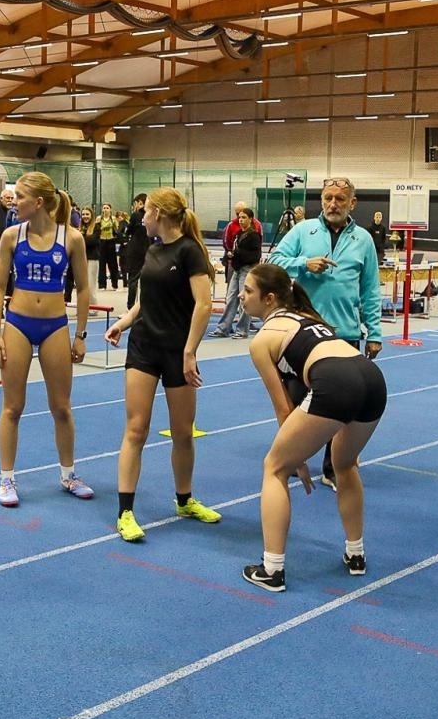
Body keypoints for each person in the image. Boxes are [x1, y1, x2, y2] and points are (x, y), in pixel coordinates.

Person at [238, 263, 387, 592]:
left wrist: (296, 460)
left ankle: (272, 569)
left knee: (274, 467)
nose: (241, 295)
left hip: (337, 381)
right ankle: (356, 554)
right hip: (372, 378)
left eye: (248, 290)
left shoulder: (262, 340)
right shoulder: (308, 318)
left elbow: (283, 408)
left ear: (269, 298)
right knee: (344, 463)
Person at [103, 187, 219, 541]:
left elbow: (203, 305)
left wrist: (189, 352)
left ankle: (184, 500)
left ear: (160, 214)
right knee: (135, 430)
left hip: (176, 352)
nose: (142, 217)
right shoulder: (153, 249)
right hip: (143, 349)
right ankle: (125, 512)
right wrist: (123, 323)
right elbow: (144, 301)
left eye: (146, 212)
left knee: (183, 432)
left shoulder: (190, 252)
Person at [267, 175, 382, 489]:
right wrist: (304, 263)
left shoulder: (364, 240)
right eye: (328, 197)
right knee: (295, 400)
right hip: (302, 334)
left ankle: (334, 468)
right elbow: (273, 263)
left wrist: (374, 332)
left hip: (344, 334)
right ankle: (292, 458)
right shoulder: (303, 230)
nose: (333, 204)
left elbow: (371, 289)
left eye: (340, 199)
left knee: (340, 407)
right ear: (322, 200)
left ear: (352, 203)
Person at [0, 172, 94, 506]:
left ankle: (68, 474)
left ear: (39, 202)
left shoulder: (72, 238)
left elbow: (83, 287)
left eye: (19, 197)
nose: (13, 202)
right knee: (13, 406)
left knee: (61, 407)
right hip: (18, 324)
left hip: (55, 327)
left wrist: (80, 335)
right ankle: (7, 479)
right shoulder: (10, 236)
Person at [210, 205, 261, 338]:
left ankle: (242, 330)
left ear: (251, 219)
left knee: (245, 300)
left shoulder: (254, 236)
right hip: (237, 269)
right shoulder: (238, 234)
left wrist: (236, 253)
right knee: (231, 298)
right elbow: (232, 249)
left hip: (247, 270)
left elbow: (255, 256)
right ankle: (223, 328)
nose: (241, 220)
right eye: (239, 217)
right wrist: (229, 256)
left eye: (244, 217)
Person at [121, 192, 150, 308]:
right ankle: (145, 306)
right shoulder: (152, 215)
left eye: (136, 204)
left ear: (140, 203)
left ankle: (130, 306)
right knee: (146, 280)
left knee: (133, 280)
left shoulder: (136, 215)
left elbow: (129, 231)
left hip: (135, 250)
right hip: (148, 249)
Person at [93, 202, 121, 290]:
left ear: (110, 209)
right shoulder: (99, 218)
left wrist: (113, 225)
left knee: (112, 263)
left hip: (110, 241)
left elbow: (117, 230)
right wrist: (102, 228)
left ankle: (114, 284)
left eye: (107, 208)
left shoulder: (113, 219)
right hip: (101, 242)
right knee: (102, 263)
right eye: (104, 208)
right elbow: (96, 230)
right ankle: (102, 284)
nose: (105, 210)